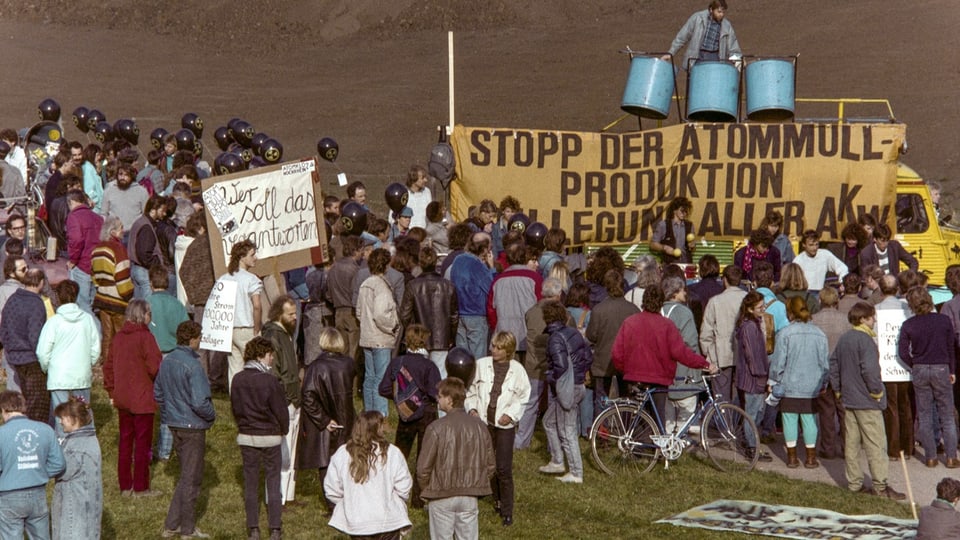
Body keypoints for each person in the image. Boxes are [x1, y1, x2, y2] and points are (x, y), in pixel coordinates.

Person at [829, 302, 905, 500]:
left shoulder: (845, 339)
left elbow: (833, 364)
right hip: (867, 401)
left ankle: (854, 483)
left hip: (849, 399)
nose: (875, 320)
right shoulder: (866, 341)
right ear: (863, 319)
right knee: (876, 445)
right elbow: (870, 371)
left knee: (852, 445)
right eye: (872, 317)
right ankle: (880, 486)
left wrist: (837, 389)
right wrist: (877, 392)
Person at [155, 320, 216, 539]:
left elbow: (158, 393)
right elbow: (200, 402)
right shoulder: (193, 365)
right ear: (192, 339)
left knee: (185, 476)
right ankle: (187, 530)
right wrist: (212, 415)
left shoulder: (168, 360)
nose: (200, 341)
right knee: (192, 480)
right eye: (199, 337)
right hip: (193, 426)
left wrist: (169, 413)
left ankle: (172, 525)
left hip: (174, 425)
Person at [417, 377, 496, 540]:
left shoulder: (435, 428)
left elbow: (422, 469)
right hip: (469, 496)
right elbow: (490, 465)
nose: (437, 399)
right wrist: (475, 485)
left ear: (449, 399)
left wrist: (427, 490)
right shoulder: (480, 426)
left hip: (441, 495)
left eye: (440, 396)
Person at [464, 331, 529, 526]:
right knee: (487, 463)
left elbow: (523, 397)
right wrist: (473, 409)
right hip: (484, 422)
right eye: (493, 346)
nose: (493, 349)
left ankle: (507, 510)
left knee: (503, 467)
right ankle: (497, 500)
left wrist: (510, 415)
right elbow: (470, 390)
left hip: (504, 425)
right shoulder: (481, 365)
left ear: (508, 351)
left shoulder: (517, 371)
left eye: (498, 347)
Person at [231, 337, 289, 540]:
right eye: (270, 355)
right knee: (273, 482)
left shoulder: (237, 379)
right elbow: (281, 411)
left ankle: (253, 528)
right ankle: (275, 528)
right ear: (261, 355)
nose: (272, 359)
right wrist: (284, 430)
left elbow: (235, 409)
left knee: (250, 483)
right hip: (270, 436)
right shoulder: (271, 381)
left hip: (247, 436)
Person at [103, 298, 162, 497]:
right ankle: (141, 486)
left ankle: (125, 486)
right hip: (142, 398)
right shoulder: (146, 338)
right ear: (143, 315)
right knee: (143, 444)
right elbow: (155, 367)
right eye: (149, 314)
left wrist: (111, 390)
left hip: (123, 398)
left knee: (126, 442)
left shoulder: (119, 337)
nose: (150, 317)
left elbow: (108, 366)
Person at [378, 324, 441, 507]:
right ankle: (418, 499)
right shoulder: (429, 366)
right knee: (424, 459)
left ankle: (391, 492)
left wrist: (401, 399)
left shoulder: (397, 362)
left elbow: (383, 388)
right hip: (427, 415)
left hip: (405, 415)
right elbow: (434, 393)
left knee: (399, 455)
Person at [324, 411, 413, 539]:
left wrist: (350, 503)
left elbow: (332, 489)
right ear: (377, 428)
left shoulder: (343, 454)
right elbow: (404, 486)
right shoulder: (392, 453)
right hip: (387, 522)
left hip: (358, 523)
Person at [899, 286, 960, 468]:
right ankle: (951, 457)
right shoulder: (943, 320)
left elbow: (902, 352)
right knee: (947, 415)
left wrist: (914, 365)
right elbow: (951, 347)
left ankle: (931, 457)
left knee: (925, 415)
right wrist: (952, 370)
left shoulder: (909, 324)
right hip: (941, 367)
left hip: (920, 368)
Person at [298, 327, 356, 512]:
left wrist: (323, 420)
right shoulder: (349, 363)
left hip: (326, 425)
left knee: (326, 464)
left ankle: (333, 505)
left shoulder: (316, 367)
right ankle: (347, 502)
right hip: (347, 419)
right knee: (346, 463)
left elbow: (307, 396)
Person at [768, 296, 830, 469]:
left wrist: (773, 381)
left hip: (790, 383)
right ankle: (811, 458)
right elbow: (825, 363)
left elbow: (778, 362)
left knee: (789, 419)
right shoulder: (819, 333)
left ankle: (792, 457)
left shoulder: (785, 333)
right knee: (810, 420)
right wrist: (824, 382)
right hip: (812, 384)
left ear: (789, 312)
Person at [37, 280, 100, 437]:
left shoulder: (53, 322)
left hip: (59, 375)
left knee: (61, 417)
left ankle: (63, 446)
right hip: (81, 374)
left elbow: (42, 352)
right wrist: (87, 364)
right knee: (82, 413)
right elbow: (95, 348)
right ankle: (84, 443)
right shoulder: (87, 320)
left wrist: (47, 368)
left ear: (58, 297)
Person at [0, 391, 65, 539]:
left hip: (9, 494)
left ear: (4, 410)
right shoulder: (45, 429)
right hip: (37, 493)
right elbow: (59, 463)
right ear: (24, 407)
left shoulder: (1, 433)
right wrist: (38, 472)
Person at [539, 301, 591, 483]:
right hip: (578, 385)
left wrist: (551, 376)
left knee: (567, 430)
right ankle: (557, 460)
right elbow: (588, 356)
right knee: (548, 422)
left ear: (546, 318)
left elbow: (560, 366)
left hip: (567, 389)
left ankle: (576, 472)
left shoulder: (555, 338)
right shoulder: (573, 332)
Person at [261, 295, 303, 505]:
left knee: (291, 452)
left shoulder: (286, 334)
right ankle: (276, 498)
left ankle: (289, 495)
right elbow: (273, 374)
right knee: (280, 454)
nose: (295, 317)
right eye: (291, 314)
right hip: (284, 401)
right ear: (280, 314)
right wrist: (283, 399)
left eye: (296, 313)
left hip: (294, 400)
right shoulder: (273, 336)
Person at [586, 269, 640, 419]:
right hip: (626, 361)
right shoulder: (633, 310)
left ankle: (601, 433)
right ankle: (626, 431)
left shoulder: (599, 310)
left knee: (601, 400)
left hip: (603, 361)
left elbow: (591, 335)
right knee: (626, 399)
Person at [399, 246, 459, 379]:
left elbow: (404, 314)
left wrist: (412, 331)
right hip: (441, 337)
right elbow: (454, 316)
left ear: (420, 263)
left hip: (419, 336)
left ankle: (422, 399)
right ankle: (438, 399)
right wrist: (451, 336)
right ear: (435, 262)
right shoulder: (448, 285)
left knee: (418, 376)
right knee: (439, 375)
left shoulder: (412, 285)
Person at [0, 268, 49, 421]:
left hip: (15, 357)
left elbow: (3, 329)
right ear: (41, 282)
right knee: (38, 403)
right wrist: (44, 359)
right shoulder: (36, 303)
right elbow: (35, 336)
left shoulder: (13, 299)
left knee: (26, 397)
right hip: (32, 359)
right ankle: (36, 432)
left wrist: (9, 349)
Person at [51, 397, 102, 540]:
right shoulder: (87, 438)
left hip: (76, 508)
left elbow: (60, 470)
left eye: (63, 418)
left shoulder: (77, 446)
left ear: (74, 419)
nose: (60, 422)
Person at [358, 248, 401, 416]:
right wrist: (393, 326)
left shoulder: (365, 284)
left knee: (369, 377)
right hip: (381, 338)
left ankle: (369, 410)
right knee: (380, 378)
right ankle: (380, 413)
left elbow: (359, 311)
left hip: (367, 336)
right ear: (386, 265)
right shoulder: (382, 287)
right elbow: (381, 314)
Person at [217, 240, 264, 391]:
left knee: (235, 367)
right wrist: (257, 330)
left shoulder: (224, 278)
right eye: (252, 254)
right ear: (242, 257)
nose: (255, 258)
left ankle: (236, 399)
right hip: (247, 328)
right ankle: (253, 399)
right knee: (254, 366)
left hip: (229, 329)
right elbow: (257, 306)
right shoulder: (251, 279)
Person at [734, 291, 774, 463]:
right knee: (753, 413)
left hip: (754, 376)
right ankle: (751, 447)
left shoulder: (753, 323)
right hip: (753, 378)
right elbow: (752, 355)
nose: (762, 309)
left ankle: (749, 441)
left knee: (756, 412)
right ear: (750, 309)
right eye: (759, 307)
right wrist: (762, 375)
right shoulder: (749, 327)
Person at [810, 287, 849, 460]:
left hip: (822, 369)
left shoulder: (814, 320)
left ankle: (828, 447)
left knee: (826, 411)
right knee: (844, 411)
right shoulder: (845, 320)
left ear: (820, 300)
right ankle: (848, 447)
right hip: (842, 369)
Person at [91, 215, 134, 365]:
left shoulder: (97, 249)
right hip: (117, 299)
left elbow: (94, 276)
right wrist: (129, 295)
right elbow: (122, 276)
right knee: (121, 335)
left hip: (102, 297)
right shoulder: (118, 249)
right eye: (121, 228)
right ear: (113, 232)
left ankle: (107, 366)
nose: (123, 231)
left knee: (107, 336)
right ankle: (122, 365)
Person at [450, 232, 496, 360]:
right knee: (478, 360)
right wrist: (491, 268)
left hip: (460, 313)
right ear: (485, 249)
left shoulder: (458, 260)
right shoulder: (477, 265)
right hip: (476, 314)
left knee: (462, 358)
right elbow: (491, 288)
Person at [65, 189, 104, 314]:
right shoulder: (97, 217)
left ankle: (91, 331)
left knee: (83, 305)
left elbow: (76, 240)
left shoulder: (73, 217)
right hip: (97, 264)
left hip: (82, 264)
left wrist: (73, 260)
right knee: (94, 303)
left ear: (71, 202)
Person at [650, 197, 695, 264]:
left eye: (686, 211)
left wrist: (692, 246)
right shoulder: (663, 225)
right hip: (669, 264)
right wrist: (664, 247)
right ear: (674, 210)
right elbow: (653, 244)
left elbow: (693, 249)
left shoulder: (690, 225)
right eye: (682, 211)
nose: (684, 213)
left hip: (686, 263)